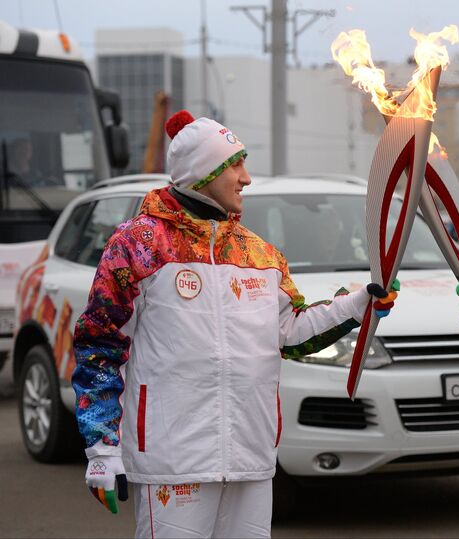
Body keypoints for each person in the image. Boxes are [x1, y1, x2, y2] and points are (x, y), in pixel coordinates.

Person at [72, 110, 397, 538]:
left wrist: (357, 305)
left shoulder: (259, 254)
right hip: (173, 461)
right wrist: (102, 447)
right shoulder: (138, 245)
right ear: (202, 174)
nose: (246, 178)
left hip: (251, 457)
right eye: (235, 165)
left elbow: (291, 333)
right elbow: (99, 345)